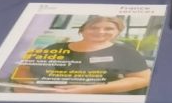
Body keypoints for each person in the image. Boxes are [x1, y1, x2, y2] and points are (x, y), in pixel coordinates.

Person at [11, 16, 151, 95]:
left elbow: (142, 79)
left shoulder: (126, 51)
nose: (100, 32)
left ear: (117, 32)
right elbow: (25, 68)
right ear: (82, 31)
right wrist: (30, 86)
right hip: (52, 98)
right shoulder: (56, 47)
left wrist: (88, 90)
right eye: (93, 27)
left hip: (101, 101)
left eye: (109, 28)